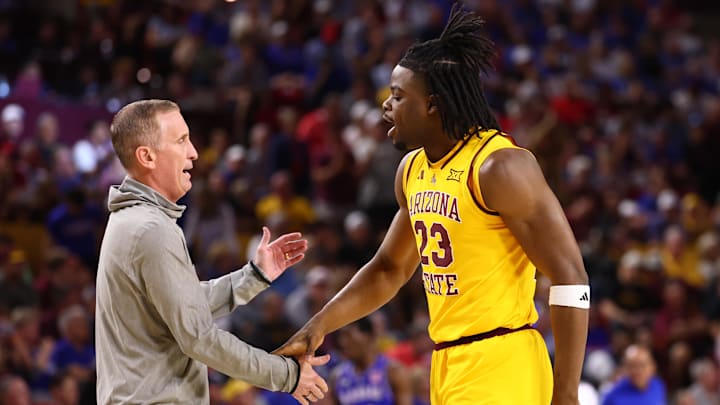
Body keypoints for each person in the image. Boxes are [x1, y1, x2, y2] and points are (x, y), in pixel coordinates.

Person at [275, 4, 589, 405]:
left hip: (502, 360)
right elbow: (389, 269)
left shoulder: (498, 167)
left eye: (398, 96)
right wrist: (319, 325)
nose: (386, 106)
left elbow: (571, 277)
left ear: (434, 104)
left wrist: (566, 393)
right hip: (445, 364)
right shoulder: (412, 170)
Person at [95, 99, 329, 405]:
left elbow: (183, 308)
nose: (193, 152)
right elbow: (198, 336)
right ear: (147, 156)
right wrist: (287, 375)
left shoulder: (135, 221)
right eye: (181, 141)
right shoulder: (151, 230)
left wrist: (253, 277)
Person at [329, 316, 412, 405]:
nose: (343, 342)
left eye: (348, 335)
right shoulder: (337, 377)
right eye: (341, 336)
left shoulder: (393, 371)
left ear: (368, 336)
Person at [600, 344, 667, 405]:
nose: (638, 371)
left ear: (652, 367)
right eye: (633, 366)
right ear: (625, 368)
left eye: (642, 365)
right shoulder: (613, 395)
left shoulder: (658, 384)